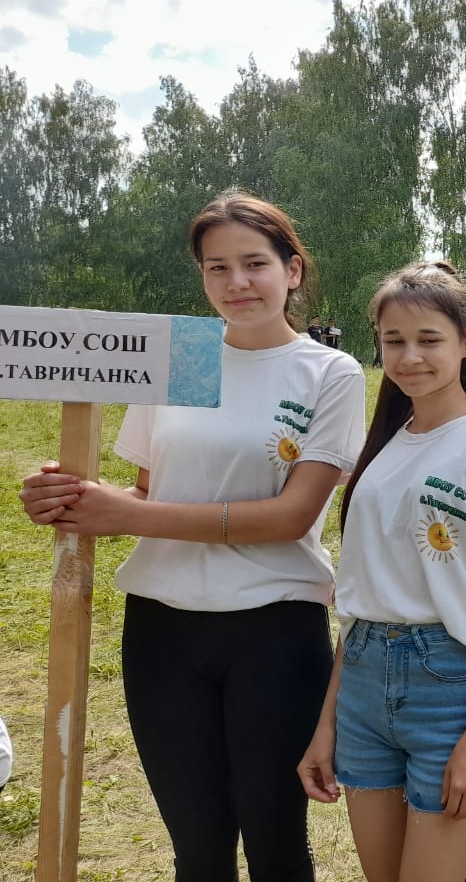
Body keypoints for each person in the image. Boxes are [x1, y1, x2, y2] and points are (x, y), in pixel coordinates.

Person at [19, 190, 367, 881]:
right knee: (198, 850)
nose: (237, 283)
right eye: (217, 268)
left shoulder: (329, 372)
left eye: (254, 263)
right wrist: (70, 498)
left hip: (275, 628)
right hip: (162, 630)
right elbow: (148, 495)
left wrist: (125, 515)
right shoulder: (185, 357)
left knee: (274, 845)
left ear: (293, 270)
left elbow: (290, 517)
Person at [297, 266, 466, 882]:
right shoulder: (383, 445)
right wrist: (326, 723)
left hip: (447, 686)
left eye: (429, 339)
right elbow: (360, 601)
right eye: (393, 341)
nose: (409, 357)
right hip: (363, 682)